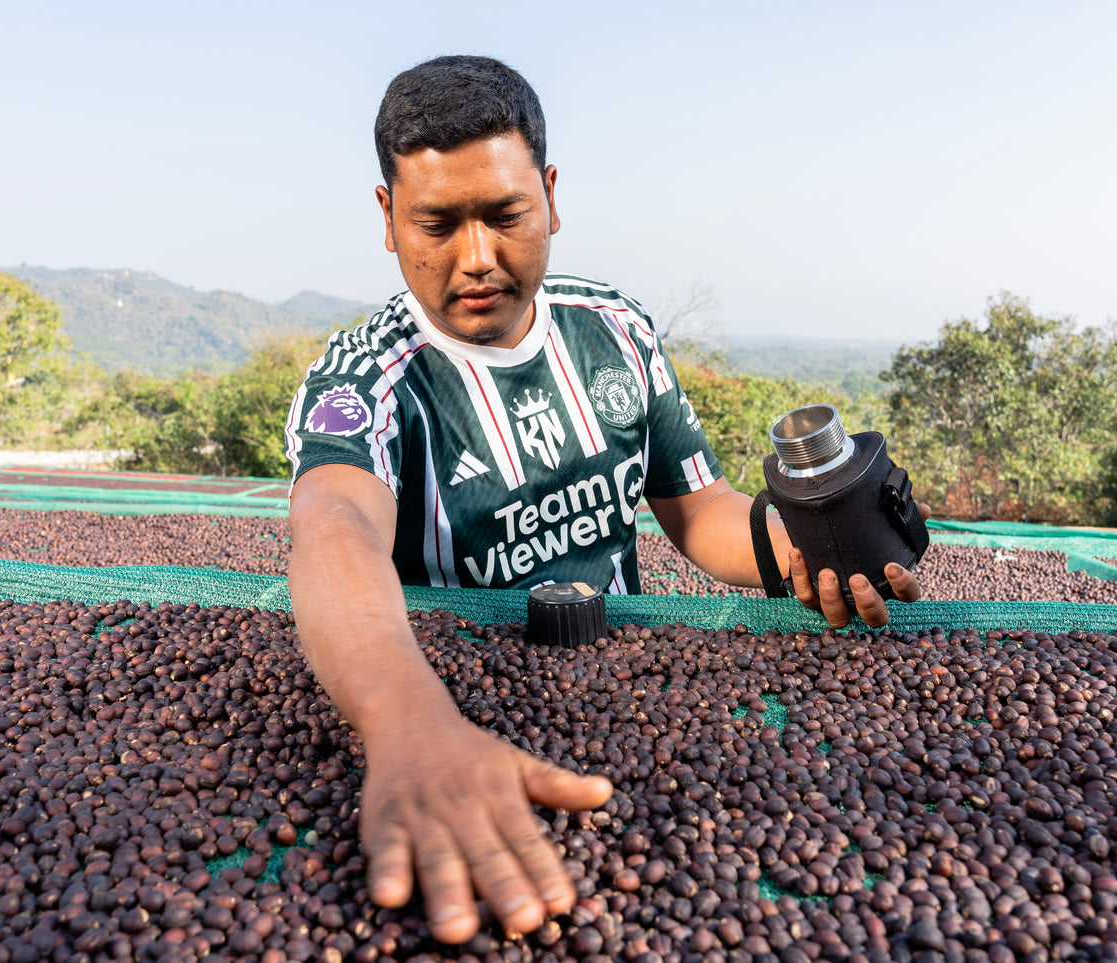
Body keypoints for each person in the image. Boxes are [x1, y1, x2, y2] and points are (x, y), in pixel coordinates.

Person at [284, 55, 925, 944]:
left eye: (506, 215)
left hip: (627, 693)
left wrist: (802, 552)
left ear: (549, 197)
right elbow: (332, 530)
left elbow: (699, 512)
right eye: (437, 222)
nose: (476, 258)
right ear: (388, 218)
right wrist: (406, 722)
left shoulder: (613, 329)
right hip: (454, 701)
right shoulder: (366, 378)